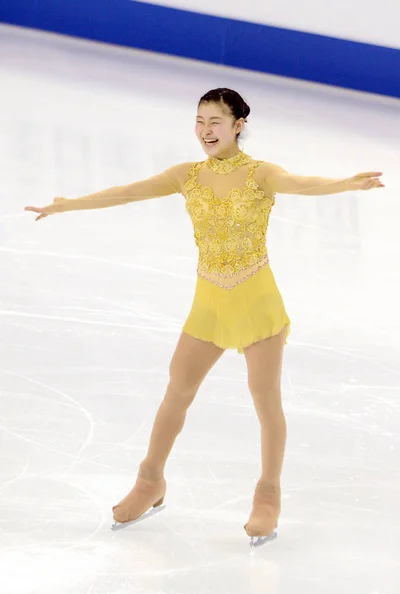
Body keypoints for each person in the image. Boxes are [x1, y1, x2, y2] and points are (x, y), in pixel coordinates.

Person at [25, 88, 384, 544]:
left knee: (264, 399)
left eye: (215, 121)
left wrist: (346, 184)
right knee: (177, 390)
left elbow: (302, 184)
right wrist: (68, 204)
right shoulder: (186, 175)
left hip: (256, 301)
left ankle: (268, 493)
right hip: (209, 302)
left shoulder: (260, 174)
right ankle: (150, 479)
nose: (205, 130)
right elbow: (127, 193)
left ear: (238, 125)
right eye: (199, 121)